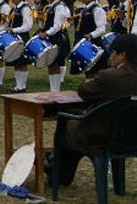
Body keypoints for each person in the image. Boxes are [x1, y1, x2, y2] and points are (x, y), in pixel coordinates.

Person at [48, 33, 137, 187]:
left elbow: (83, 91)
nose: (111, 57)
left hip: (103, 138)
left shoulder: (109, 76)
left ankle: (57, 173)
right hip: (132, 137)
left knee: (68, 126)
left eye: (113, 53)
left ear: (123, 55)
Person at [38, 0, 71, 92]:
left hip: (56, 38)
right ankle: (53, 90)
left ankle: (55, 90)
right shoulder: (51, 7)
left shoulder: (59, 7)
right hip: (51, 37)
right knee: (51, 65)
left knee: (55, 64)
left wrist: (46, 33)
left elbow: (57, 26)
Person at [72, 0, 107, 77]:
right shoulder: (83, 9)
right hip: (84, 43)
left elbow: (102, 29)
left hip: (93, 44)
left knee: (94, 71)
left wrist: (91, 35)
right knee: (87, 70)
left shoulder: (97, 10)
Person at [5, 0, 34, 93]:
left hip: (22, 38)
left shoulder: (25, 8)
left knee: (22, 63)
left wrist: (14, 30)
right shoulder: (13, 9)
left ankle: (22, 86)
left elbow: (28, 26)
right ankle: (18, 86)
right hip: (13, 38)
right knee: (16, 63)